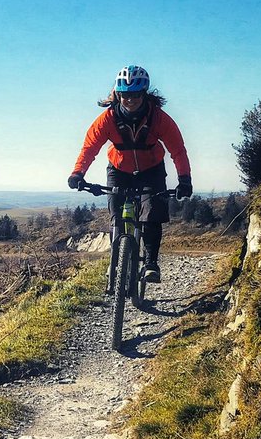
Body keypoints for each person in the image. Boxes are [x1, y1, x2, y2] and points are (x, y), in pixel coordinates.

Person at [67, 65, 192, 283]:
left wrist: (184, 179)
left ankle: (151, 263)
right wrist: (78, 173)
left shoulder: (159, 118)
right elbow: (89, 148)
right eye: (125, 95)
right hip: (119, 169)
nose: (130, 100)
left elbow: (178, 149)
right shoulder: (107, 119)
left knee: (152, 214)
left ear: (144, 94)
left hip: (151, 170)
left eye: (135, 95)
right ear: (118, 94)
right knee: (116, 212)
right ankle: (115, 261)